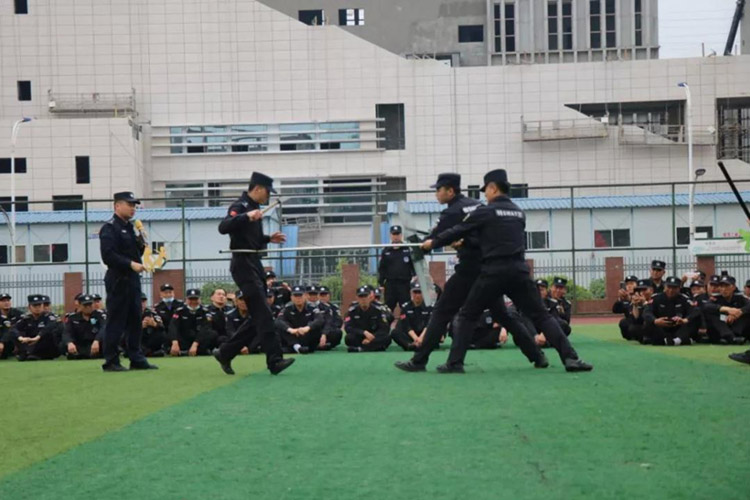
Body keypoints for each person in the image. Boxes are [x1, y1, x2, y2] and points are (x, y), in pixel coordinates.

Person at [419, 169, 592, 372]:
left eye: (486, 190)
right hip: (519, 271)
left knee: (467, 316)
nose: (485, 195)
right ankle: (571, 358)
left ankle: (454, 363)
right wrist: (466, 242)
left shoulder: (486, 211)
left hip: (493, 272)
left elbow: (459, 230)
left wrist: (433, 243)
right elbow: (498, 236)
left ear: (493, 188)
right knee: (541, 315)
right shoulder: (518, 212)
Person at [213, 172, 294, 376]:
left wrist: (268, 238)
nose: (268, 196)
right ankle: (274, 361)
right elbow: (223, 227)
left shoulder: (255, 208)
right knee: (264, 314)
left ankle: (225, 352)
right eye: (267, 192)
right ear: (257, 188)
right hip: (242, 264)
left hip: (254, 262)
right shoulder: (240, 206)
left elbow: (253, 238)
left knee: (258, 315)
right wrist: (246, 216)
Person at [98, 191, 157, 372]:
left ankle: (136, 357)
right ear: (117, 205)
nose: (133, 208)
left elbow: (135, 253)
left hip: (133, 279)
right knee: (116, 320)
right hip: (118, 279)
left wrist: (142, 246)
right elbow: (108, 255)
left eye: (134, 205)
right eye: (129, 204)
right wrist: (130, 264)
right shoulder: (109, 228)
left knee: (135, 319)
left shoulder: (131, 228)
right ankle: (111, 360)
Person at [642, 276, 696, 346]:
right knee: (648, 324)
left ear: (679, 288)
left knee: (693, 321)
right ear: (664, 287)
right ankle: (680, 341)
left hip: (678, 328)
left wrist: (684, 320)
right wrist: (655, 320)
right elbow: (647, 312)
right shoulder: (656, 298)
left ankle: (674, 341)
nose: (671, 290)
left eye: (674, 288)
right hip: (661, 327)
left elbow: (695, 311)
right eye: (669, 287)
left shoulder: (684, 299)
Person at [275, 285, 325, 354]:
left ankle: (294, 349)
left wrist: (307, 328)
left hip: (307, 336)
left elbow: (320, 319)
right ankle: (297, 347)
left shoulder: (312, 307)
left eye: (300, 296)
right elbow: (278, 321)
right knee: (282, 326)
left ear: (305, 296)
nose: (298, 298)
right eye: (295, 296)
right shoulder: (287, 308)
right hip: (293, 336)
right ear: (291, 297)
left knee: (316, 325)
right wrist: (291, 330)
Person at [702, 275, 750, 345]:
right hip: (720, 329)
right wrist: (726, 309)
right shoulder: (715, 298)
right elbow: (706, 306)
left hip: (736, 327)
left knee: (746, 314)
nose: (724, 289)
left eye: (727, 286)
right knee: (711, 314)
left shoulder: (740, 297)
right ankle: (730, 337)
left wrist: (739, 312)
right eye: (721, 286)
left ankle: (735, 336)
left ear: (733, 287)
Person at [377, 225, 415, 311]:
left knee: (406, 308)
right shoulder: (386, 251)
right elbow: (382, 268)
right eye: (394, 234)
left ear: (401, 235)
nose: (396, 237)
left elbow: (413, 266)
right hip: (390, 285)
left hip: (404, 284)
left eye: (397, 234)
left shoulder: (408, 249)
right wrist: (381, 283)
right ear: (390, 236)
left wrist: (414, 277)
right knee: (388, 309)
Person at [168, 289, 216, 356]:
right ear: (186, 300)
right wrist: (174, 342)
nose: (193, 302)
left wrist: (195, 344)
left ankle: (196, 351)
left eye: (195, 299)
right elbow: (173, 326)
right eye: (191, 299)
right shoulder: (179, 311)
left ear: (200, 299)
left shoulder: (205, 311)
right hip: (184, 338)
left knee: (212, 333)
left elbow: (205, 328)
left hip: (199, 339)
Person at [12, 294, 60, 361]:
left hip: (46, 346)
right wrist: (21, 338)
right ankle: (26, 353)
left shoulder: (49, 317)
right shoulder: (26, 318)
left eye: (39, 305)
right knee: (16, 333)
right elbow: (14, 328)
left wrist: (37, 338)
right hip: (30, 342)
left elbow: (49, 327)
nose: (37, 308)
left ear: (42, 306)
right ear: (29, 307)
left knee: (48, 334)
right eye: (34, 306)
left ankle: (33, 354)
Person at [344, 286, 392, 352]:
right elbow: (348, 327)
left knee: (387, 338)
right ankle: (374, 347)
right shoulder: (352, 311)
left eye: (365, 296)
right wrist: (363, 332)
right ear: (357, 298)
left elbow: (384, 328)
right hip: (360, 336)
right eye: (361, 296)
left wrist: (371, 337)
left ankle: (361, 349)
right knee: (349, 338)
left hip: (374, 336)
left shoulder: (378, 310)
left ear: (370, 297)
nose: (363, 299)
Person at [61, 294, 105, 360]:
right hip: (80, 344)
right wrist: (69, 343)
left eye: (90, 305)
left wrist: (97, 340)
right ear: (79, 305)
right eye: (85, 305)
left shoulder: (100, 315)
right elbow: (66, 332)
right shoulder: (72, 317)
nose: (88, 307)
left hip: (96, 343)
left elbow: (104, 328)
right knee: (63, 344)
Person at [391, 283, 433, 351]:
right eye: (415, 292)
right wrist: (416, 339)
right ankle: (410, 345)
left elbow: (428, 325)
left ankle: (422, 344)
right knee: (394, 333)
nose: (417, 295)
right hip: (411, 335)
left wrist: (421, 338)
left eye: (419, 292)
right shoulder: (405, 307)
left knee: (435, 331)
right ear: (411, 293)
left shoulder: (429, 307)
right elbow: (406, 326)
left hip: (424, 335)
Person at [318, 286, 343, 350]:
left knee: (338, 332)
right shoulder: (315, 307)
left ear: (329, 295)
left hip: (330, 330)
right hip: (319, 330)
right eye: (321, 295)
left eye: (325, 295)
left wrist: (328, 330)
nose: (323, 297)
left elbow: (339, 321)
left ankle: (329, 344)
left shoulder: (334, 307)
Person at [0, 293, 23, 359]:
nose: (6, 303)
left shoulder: (17, 313)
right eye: (3, 301)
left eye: (8, 300)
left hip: (15, 340)